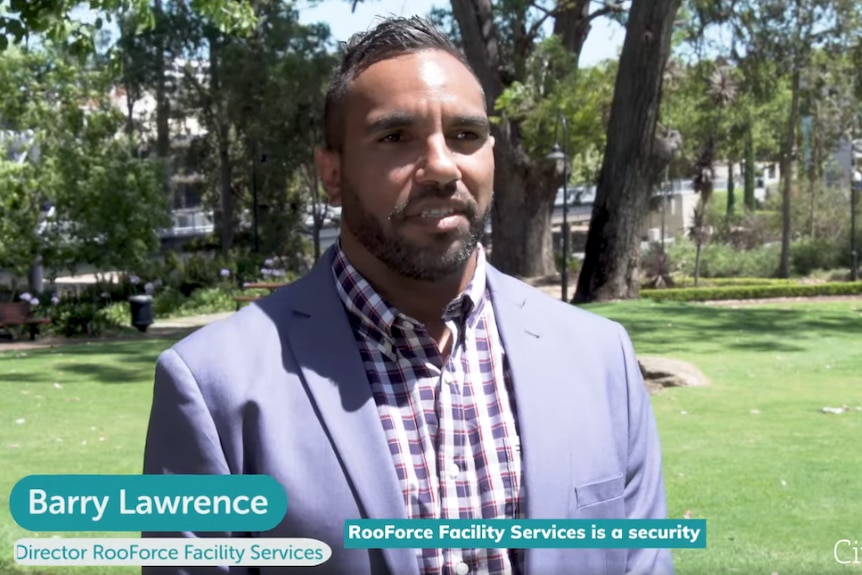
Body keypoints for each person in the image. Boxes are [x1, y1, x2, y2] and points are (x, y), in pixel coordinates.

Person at [142, 16, 673, 575]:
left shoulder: (599, 357)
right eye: (395, 138)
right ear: (332, 172)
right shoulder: (211, 386)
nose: (443, 167)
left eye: (466, 135)